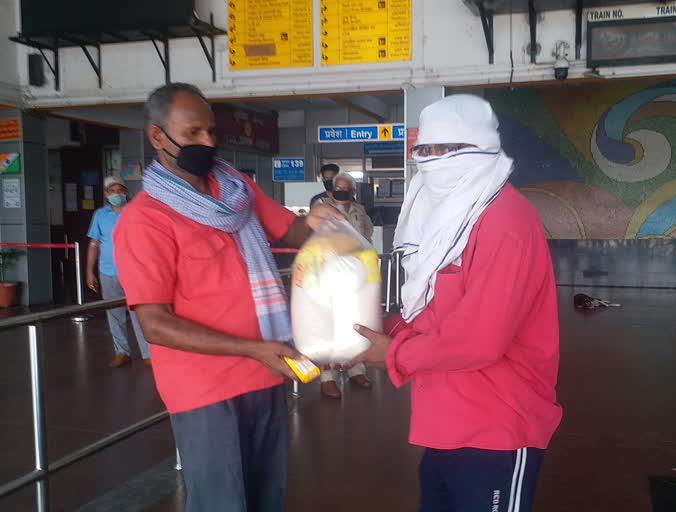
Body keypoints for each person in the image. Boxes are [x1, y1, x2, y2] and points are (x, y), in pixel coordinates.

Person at [112, 83, 341, 512]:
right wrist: (253, 350)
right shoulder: (144, 221)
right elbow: (154, 324)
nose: (208, 142)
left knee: (265, 497)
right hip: (206, 390)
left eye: (212, 132)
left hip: (267, 373)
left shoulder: (235, 190)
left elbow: (291, 233)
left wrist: (317, 221)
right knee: (223, 502)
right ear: (158, 136)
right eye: (194, 132)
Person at [346, 95, 562, 512]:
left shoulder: (504, 222)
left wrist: (392, 354)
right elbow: (434, 317)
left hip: (497, 427)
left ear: (482, 147)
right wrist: (370, 332)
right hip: (444, 423)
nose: (434, 160)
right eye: (425, 150)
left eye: (448, 149)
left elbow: (480, 341)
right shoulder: (441, 221)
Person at [315, 171, 374, 398]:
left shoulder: (360, 211)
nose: (339, 191)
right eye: (336, 186)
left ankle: (356, 369)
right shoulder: (322, 206)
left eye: (344, 188)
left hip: (356, 276)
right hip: (328, 275)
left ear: (352, 191)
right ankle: (327, 378)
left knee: (356, 325)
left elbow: (367, 239)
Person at [86, 176, 151, 368]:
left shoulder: (136, 212)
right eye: (112, 191)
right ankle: (122, 352)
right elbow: (93, 244)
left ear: (126, 192)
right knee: (114, 314)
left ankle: (148, 353)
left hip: (133, 271)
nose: (117, 194)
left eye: (121, 190)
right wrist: (89, 272)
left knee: (139, 313)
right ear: (106, 194)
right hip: (107, 271)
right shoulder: (100, 215)